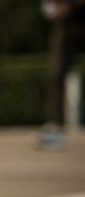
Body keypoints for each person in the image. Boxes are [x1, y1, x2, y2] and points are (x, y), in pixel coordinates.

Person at [40, 0, 85, 149]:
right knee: (56, 74)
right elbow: (48, 7)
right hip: (65, 23)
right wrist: (55, 9)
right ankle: (55, 128)